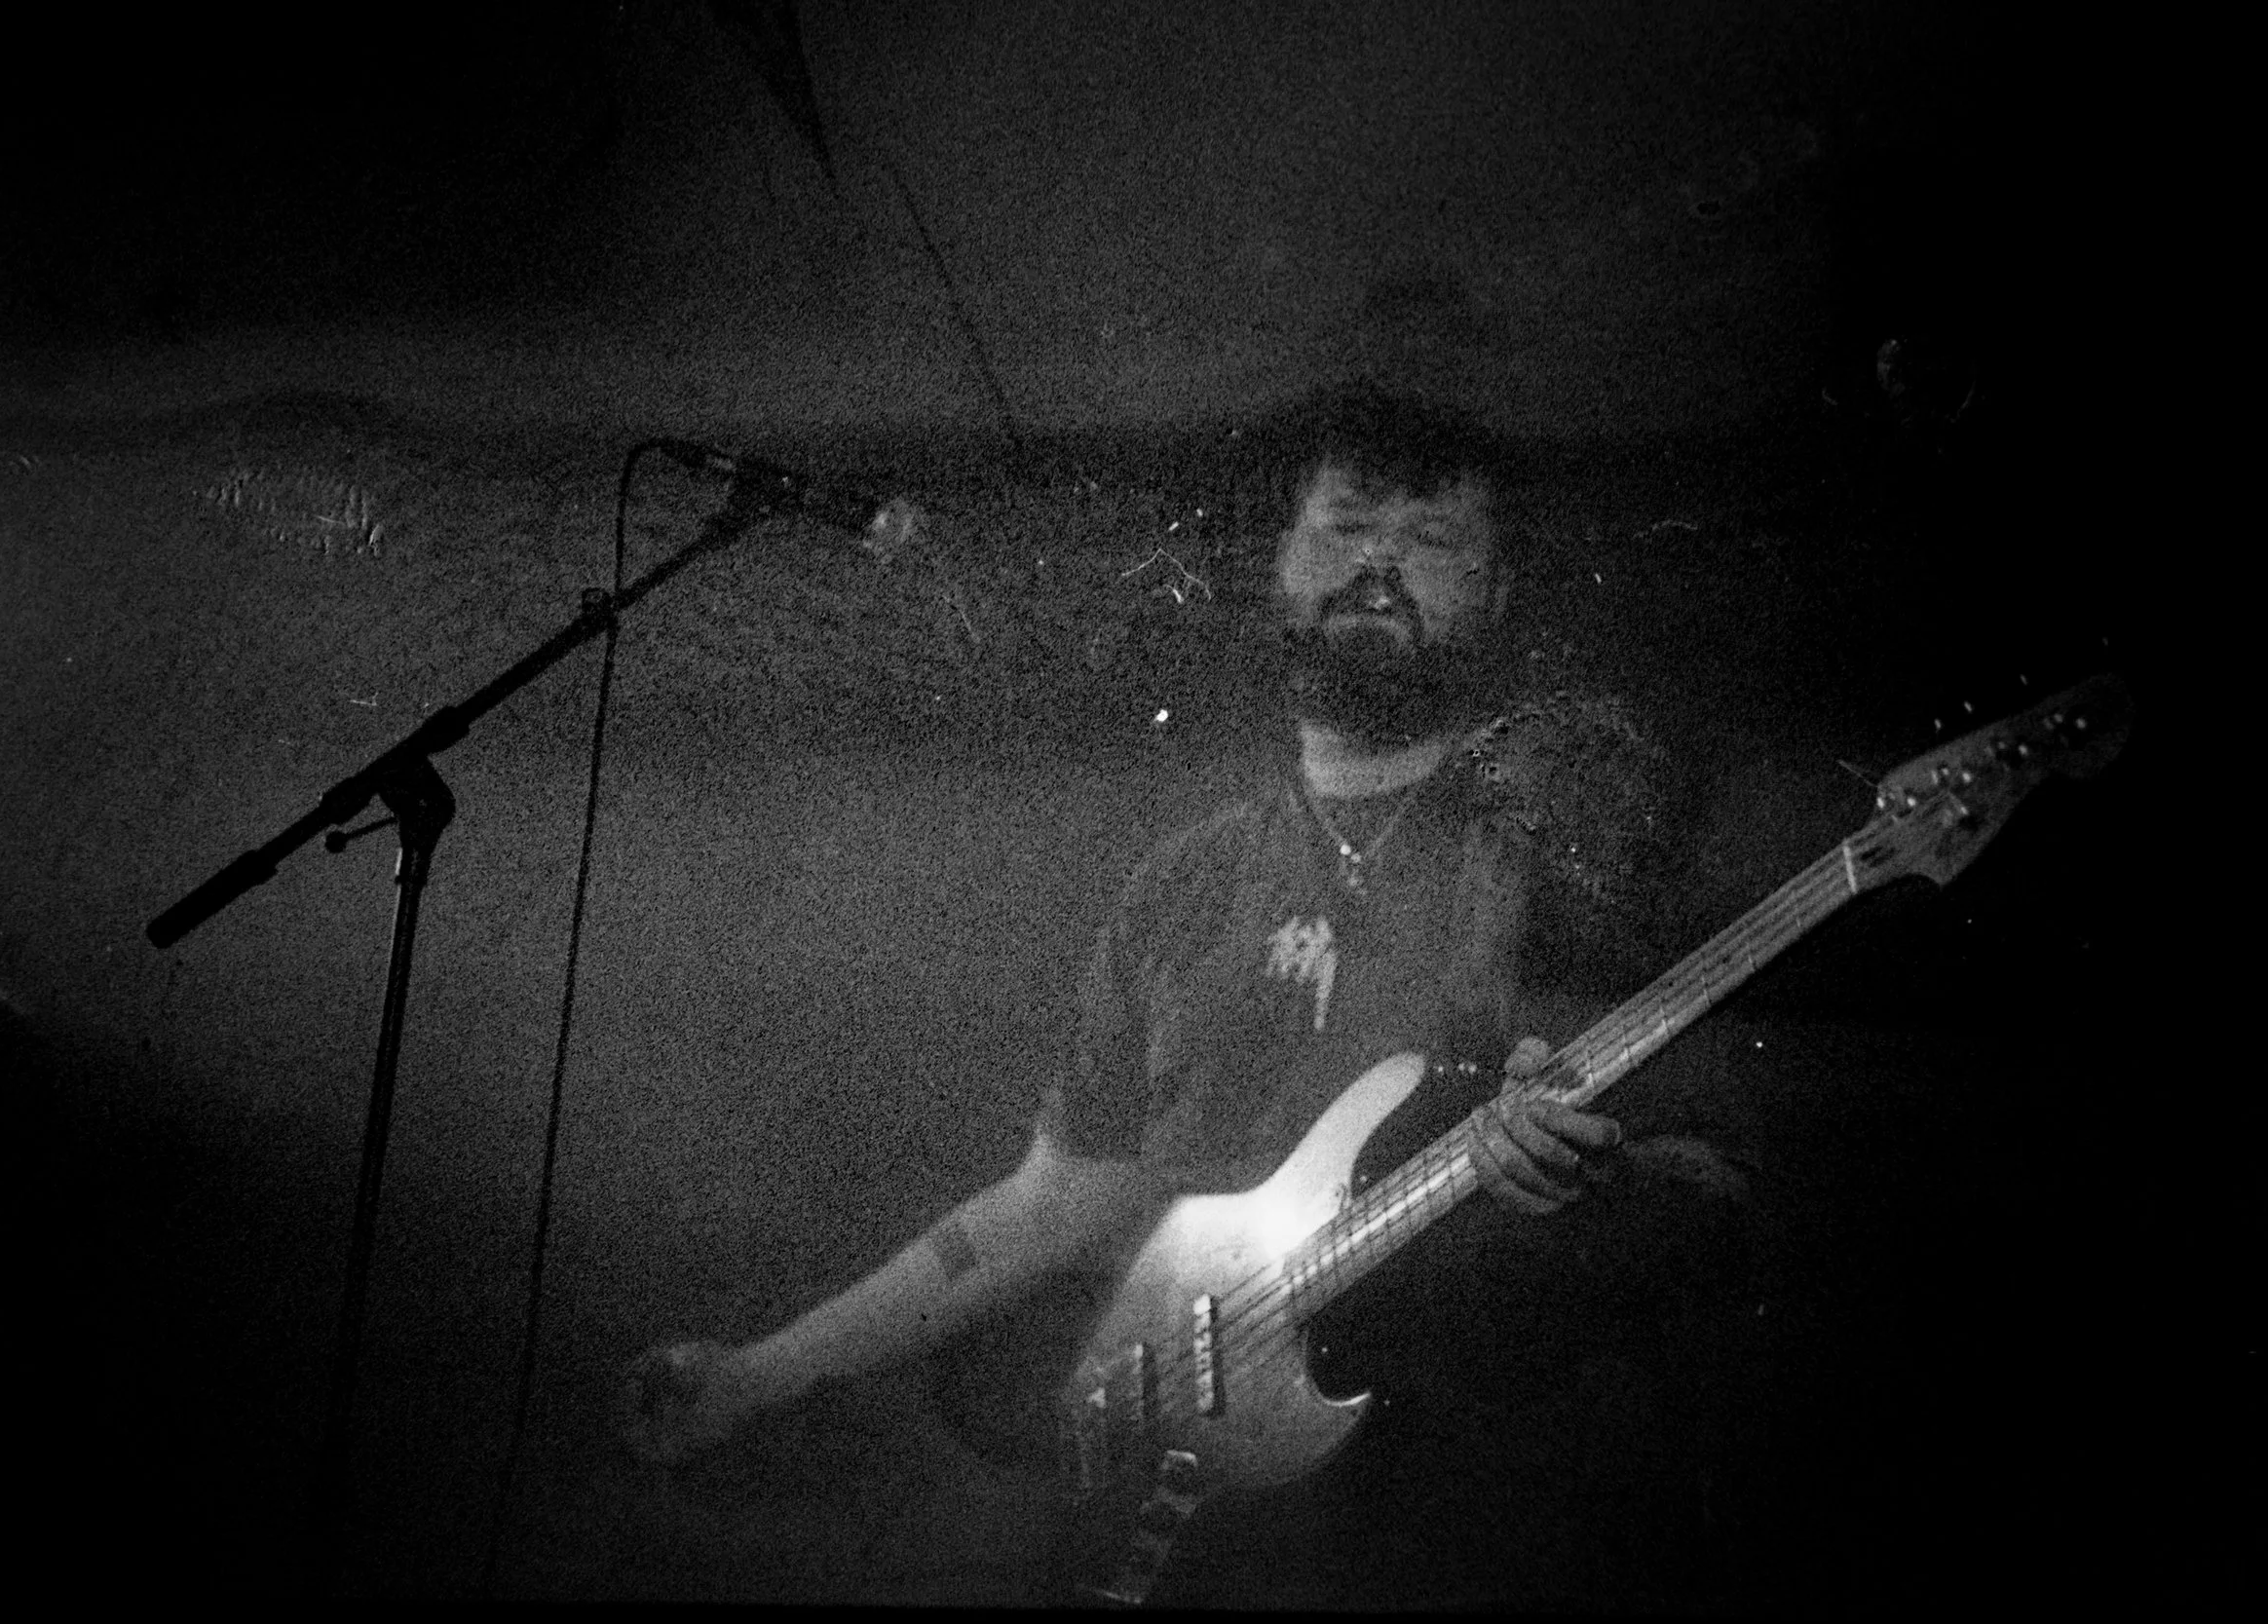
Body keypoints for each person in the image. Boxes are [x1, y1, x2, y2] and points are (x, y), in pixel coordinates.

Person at [621, 386, 1752, 1605]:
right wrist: (763, 1372)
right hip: (1206, 1516)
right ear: (1277, 564)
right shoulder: (1185, 879)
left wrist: (1596, 1173)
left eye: (1430, 538)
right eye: (1344, 525)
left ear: (1499, 590)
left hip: (1471, 1501)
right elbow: (1046, 1205)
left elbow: (1718, 1170)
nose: (1377, 564)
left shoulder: (1567, 838)